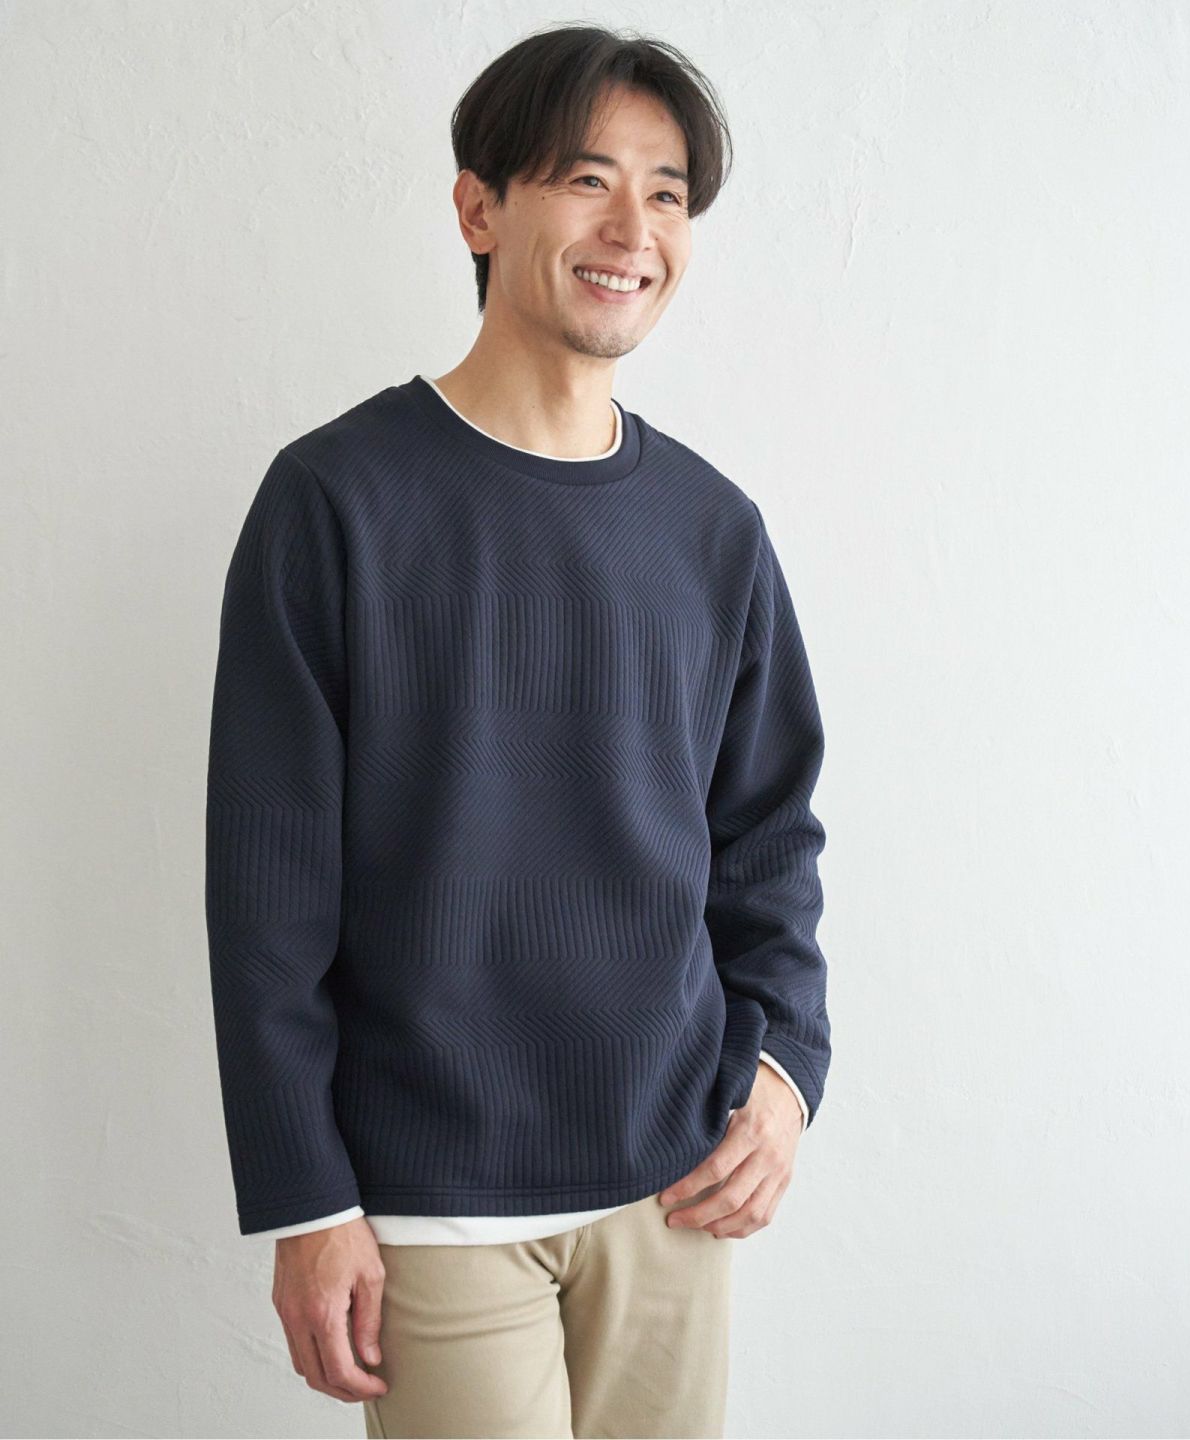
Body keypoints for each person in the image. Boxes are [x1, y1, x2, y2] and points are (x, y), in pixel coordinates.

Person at [204, 22, 832, 1439]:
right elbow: (265, 887)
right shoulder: (336, 503)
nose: (633, 231)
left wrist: (786, 1072)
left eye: (667, 194)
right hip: (433, 1199)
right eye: (586, 179)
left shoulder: (714, 531)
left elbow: (769, 834)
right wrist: (306, 1195)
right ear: (479, 209)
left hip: (676, 1183)